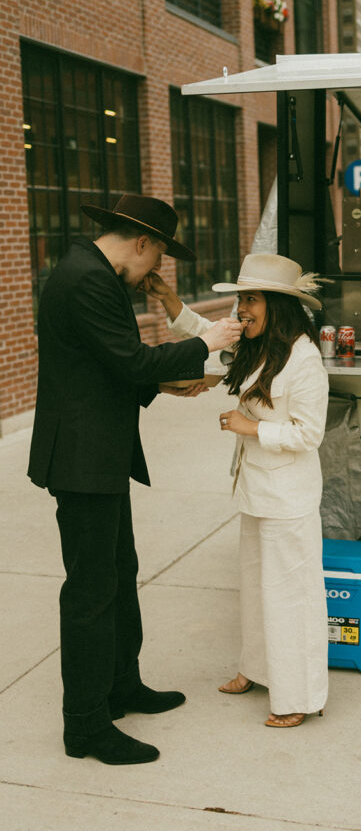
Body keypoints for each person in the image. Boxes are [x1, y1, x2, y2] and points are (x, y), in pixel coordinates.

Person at [27, 194, 240, 766]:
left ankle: (122, 685)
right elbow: (129, 362)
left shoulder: (93, 273)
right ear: (142, 242)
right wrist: (206, 344)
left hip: (98, 451)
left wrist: (167, 385)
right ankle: (86, 726)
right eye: (157, 259)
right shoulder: (86, 279)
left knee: (120, 572)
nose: (153, 275)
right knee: (92, 592)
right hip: (81, 458)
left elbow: (107, 366)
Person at [146, 253, 329, 728]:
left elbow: (309, 435)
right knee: (255, 588)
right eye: (240, 298)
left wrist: (251, 427)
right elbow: (204, 336)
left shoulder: (305, 359)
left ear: (277, 305)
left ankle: (296, 696)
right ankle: (256, 669)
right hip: (257, 491)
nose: (240, 308)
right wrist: (168, 299)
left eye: (249, 299)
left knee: (291, 597)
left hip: (289, 498)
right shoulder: (262, 346)